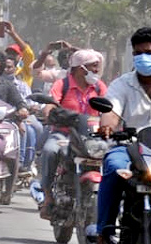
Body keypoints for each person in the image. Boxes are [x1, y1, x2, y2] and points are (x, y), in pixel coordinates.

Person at [93, 27, 151, 244]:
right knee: (112, 167)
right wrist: (107, 125)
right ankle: (104, 233)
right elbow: (111, 111)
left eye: (149, 52)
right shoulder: (122, 84)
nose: (143, 57)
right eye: (138, 53)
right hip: (130, 147)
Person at [37, 48, 105, 219]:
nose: (97, 70)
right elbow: (50, 104)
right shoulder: (62, 84)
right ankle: (48, 197)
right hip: (64, 135)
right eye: (93, 66)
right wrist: (49, 112)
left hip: (92, 138)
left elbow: (112, 107)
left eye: (97, 66)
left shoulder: (98, 86)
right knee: (50, 151)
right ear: (81, 68)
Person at [0, 19, 35, 88]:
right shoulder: (0, 68)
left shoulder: (26, 68)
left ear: (20, 56)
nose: (10, 55)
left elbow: (28, 52)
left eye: (14, 53)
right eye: (8, 53)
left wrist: (13, 34)